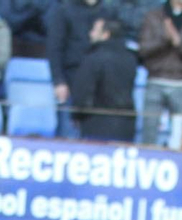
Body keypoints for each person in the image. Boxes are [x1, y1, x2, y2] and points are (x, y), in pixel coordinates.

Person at [137, 0, 182, 144]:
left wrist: (180, 43)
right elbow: (143, 49)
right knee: (149, 133)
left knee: (180, 136)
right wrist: (165, 40)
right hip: (155, 80)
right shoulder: (153, 17)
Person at [71, 13, 139, 141]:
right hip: (126, 126)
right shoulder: (131, 58)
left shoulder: (93, 58)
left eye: (94, 30)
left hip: (95, 125)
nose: (90, 34)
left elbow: (83, 92)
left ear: (105, 35)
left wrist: (77, 115)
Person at [47, 0, 106, 130]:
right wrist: (58, 81)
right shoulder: (64, 10)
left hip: (99, 84)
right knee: (68, 132)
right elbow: (54, 48)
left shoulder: (107, 11)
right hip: (70, 80)